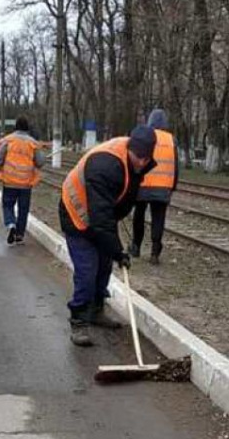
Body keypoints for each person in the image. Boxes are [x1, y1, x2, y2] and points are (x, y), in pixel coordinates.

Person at [59, 125, 156, 346]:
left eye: (147, 157)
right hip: (76, 212)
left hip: (99, 214)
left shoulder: (136, 163)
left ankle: (96, 310)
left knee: (104, 265)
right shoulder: (106, 165)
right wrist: (118, 251)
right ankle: (79, 321)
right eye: (139, 156)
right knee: (87, 269)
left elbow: (110, 211)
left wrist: (113, 250)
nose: (142, 162)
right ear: (130, 148)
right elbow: (100, 219)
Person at [128, 109, 179, 264]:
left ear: (150, 122)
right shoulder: (172, 140)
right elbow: (176, 166)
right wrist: (173, 186)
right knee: (159, 218)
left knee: (139, 214)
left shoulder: (145, 136)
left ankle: (136, 246)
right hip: (163, 187)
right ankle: (155, 253)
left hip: (143, 184)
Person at [0, 116, 45, 245]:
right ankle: (19, 235)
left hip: (9, 182)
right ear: (27, 128)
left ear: (15, 127)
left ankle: (10, 224)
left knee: (8, 205)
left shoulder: (7, 141)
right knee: (23, 210)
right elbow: (40, 162)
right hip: (26, 184)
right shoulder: (33, 143)